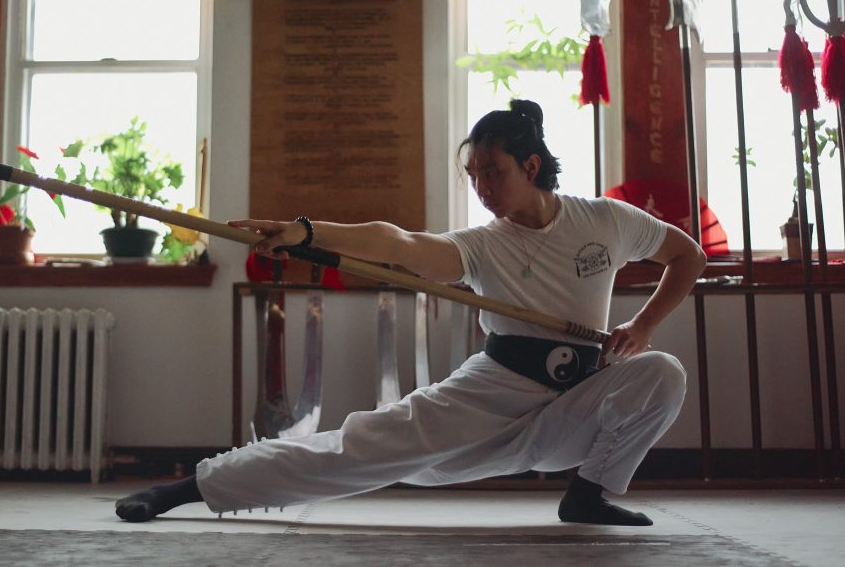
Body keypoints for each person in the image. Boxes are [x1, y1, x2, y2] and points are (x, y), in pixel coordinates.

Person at [116, 99, 706, 526]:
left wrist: (644, 325)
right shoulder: (484, 244)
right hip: (495, 391)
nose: (482, 188)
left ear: (531, 166)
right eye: (473, 176)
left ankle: (589, 494)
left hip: (577, 398)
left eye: (492, 172)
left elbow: (687, 255)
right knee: (357, 448)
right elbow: (396, 243)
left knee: (663, 373)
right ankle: (186, 489)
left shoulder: (604, 220)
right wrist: (306, 232)